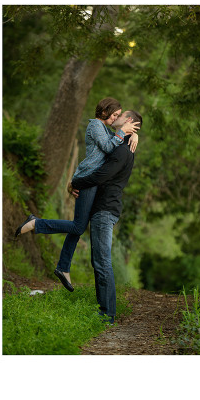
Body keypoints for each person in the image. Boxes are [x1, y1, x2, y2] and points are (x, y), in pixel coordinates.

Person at [14, 97, 140, 291]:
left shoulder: (106, 129)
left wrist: (133, 135)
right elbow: (108, 147)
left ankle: (63, 267)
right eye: (115, 114)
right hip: (88, 178)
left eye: (119, 115)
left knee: (78, 226)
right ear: (105, 111)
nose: (116, 117)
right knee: (78, 226)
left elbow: (115, 141)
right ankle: (36, 223)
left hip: (92, 180)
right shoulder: (96, 126)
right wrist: (123, 132)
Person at [70, 110, 144, 324]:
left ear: (129, 121)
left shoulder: (123, 150)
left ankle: (107, 315)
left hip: (105, 209)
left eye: (120, 116)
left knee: (102, 261)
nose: (115, 119)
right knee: (99, 260)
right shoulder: (122, 143)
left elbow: (103, 175)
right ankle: (105, 311)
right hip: (103, 208)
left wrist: (76, 182)